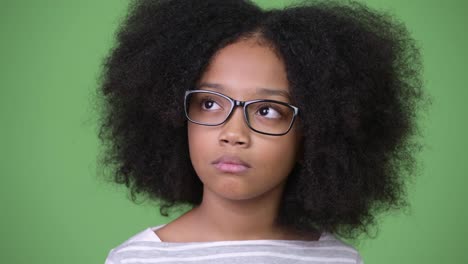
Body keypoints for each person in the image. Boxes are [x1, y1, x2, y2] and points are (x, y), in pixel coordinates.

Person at [98, 0, 427, 263]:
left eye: (267, 111)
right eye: (210, 104)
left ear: (312, 137)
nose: (233, 133)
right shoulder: (138, 259)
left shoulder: (338, 260)